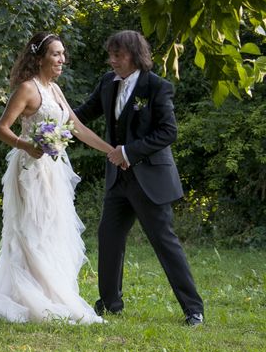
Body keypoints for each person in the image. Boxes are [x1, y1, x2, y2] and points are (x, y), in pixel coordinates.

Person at [0, 32, 114, 324]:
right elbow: (2, 129)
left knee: (52, 228)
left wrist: (111, 151)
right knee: (31, 230)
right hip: (29, 169)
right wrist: (27, 145)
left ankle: (52, 291)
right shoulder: (27, 89)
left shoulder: (55, 90)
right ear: (39, 58)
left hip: (53, 170)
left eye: (63, 54)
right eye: (55, 54)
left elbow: (76, 127)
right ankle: (27, 295)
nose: (62, 59)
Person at [74, 30, 205, 326]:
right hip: (117, 182)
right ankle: (109, 304)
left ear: (134, 55)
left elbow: (168, 132)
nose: (112, 61)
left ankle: (193, 309)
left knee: (164, 243)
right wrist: (49, 108)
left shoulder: (157, 87)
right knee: (108, 238)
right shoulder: (107, 84)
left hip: (150, 180)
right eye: (111, 55)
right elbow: (82, 115)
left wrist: (127, 151)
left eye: (118, 56)